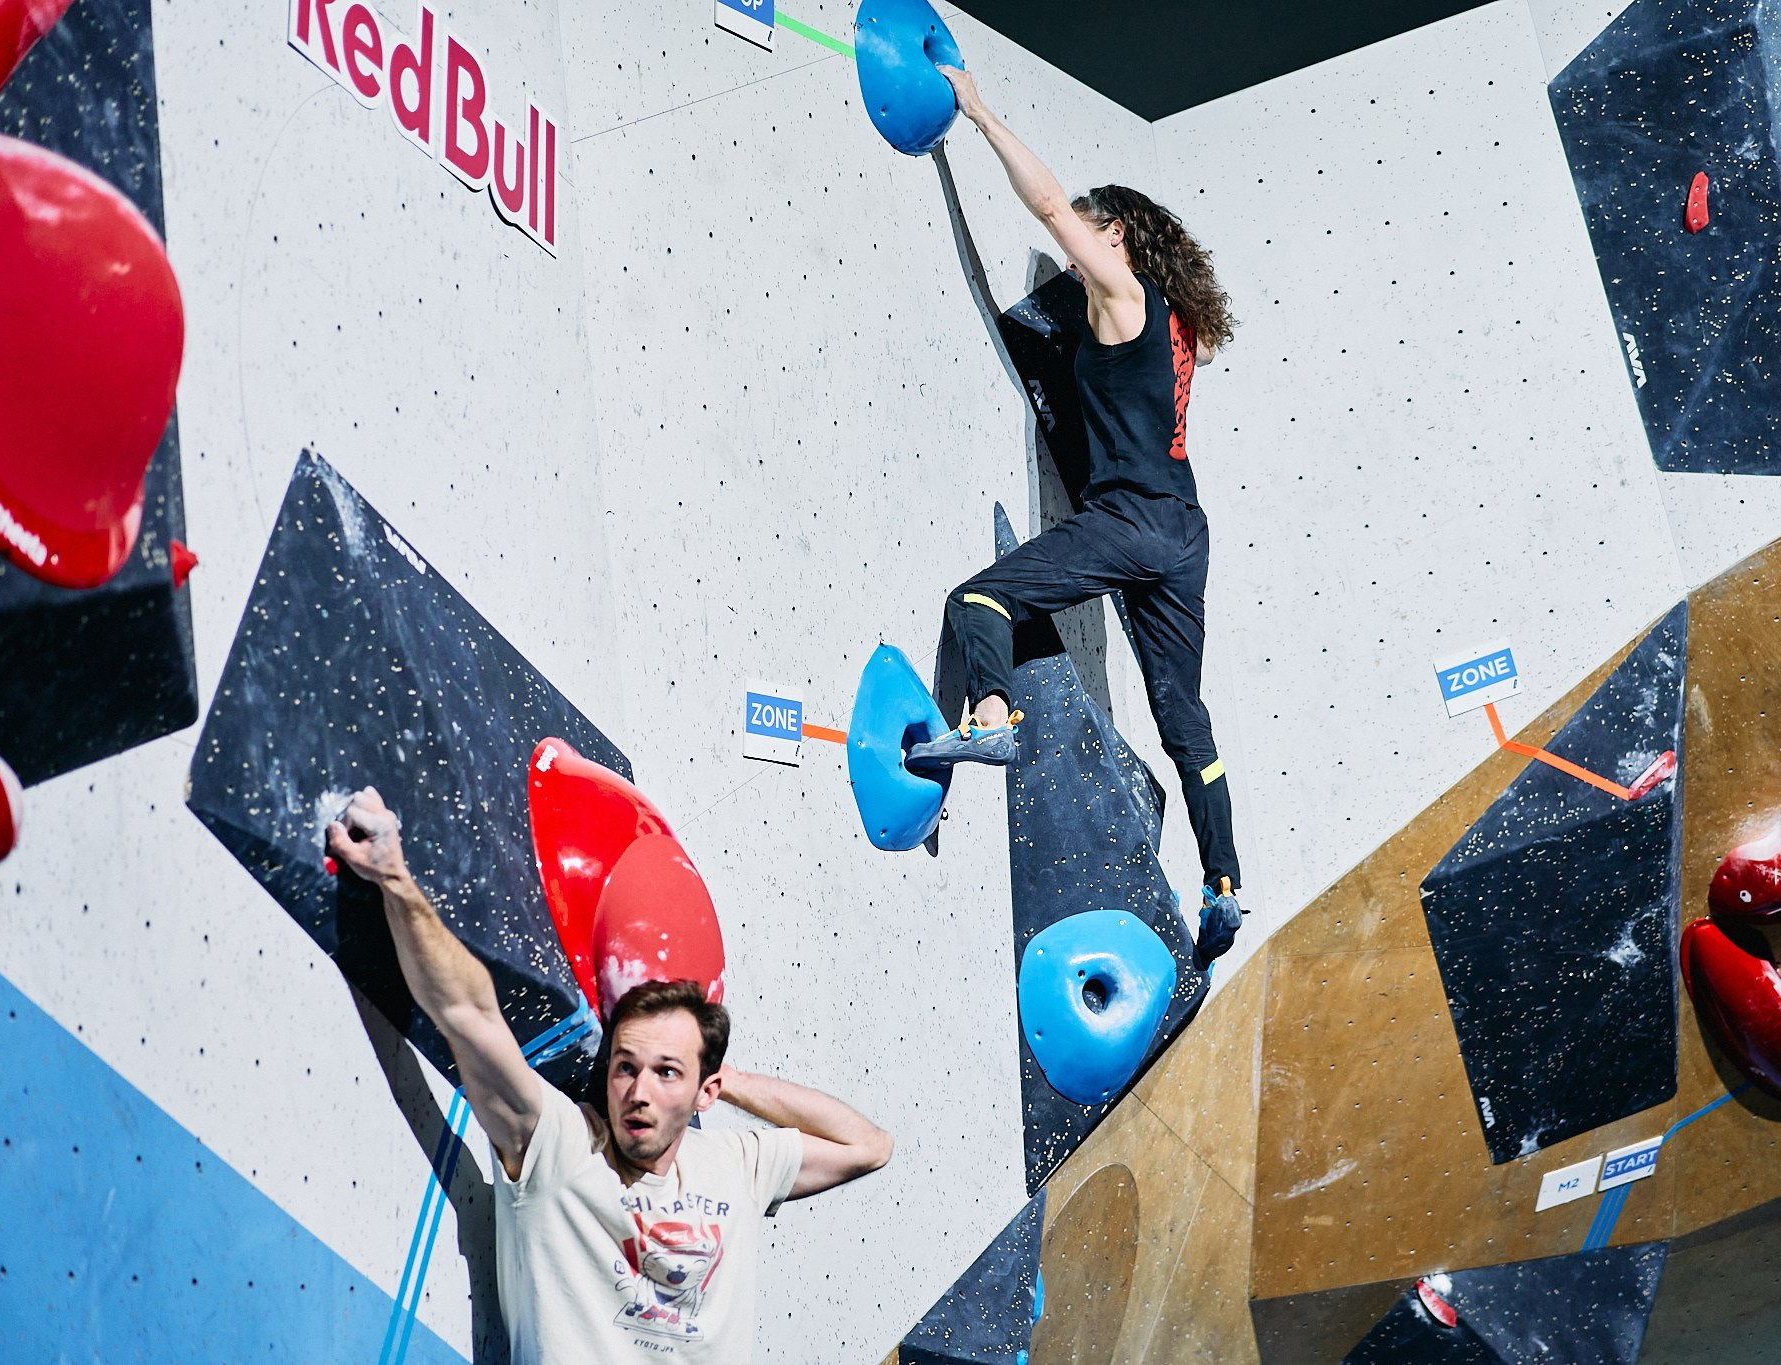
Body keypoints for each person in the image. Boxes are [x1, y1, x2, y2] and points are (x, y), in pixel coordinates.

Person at [326, 787, 892, 1364]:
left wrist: (721, 1074)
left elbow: (868, 1146)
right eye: (626, 1067)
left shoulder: (738, 1168)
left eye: (666, 1073)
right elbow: (469, 1015)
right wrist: (394, 877)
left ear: (706, 1092)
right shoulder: (556, 1148)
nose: (638, 1093)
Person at [906, 65, 1247, 969]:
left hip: (1131, 519)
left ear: (1117, 237)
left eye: (1090, 239)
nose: (1073, 250)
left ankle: (991, 716)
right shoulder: (1181, 322)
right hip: (1184, 533)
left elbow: (1051, 204)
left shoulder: (1124, 294)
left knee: (979, 598)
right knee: (1184, 719)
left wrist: (977, 115)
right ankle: (1224, 882)